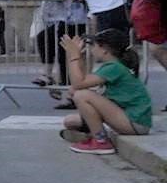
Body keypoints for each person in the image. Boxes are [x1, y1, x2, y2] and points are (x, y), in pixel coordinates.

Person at [59, 25, 150, 154]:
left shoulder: (115, 67)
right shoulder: (113, 66)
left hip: (135, 122)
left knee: (81, 95)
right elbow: (81, 81)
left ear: (104, 49)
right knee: (70, 121)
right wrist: (78, 56)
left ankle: (101, 142)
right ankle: (92, 135)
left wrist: (73, 56)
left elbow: (78, 83)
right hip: (127, 118)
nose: (91, 49)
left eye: (94, 45)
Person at [23, 0, 85, 94]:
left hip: (72, 18)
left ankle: (66, 86)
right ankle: (50, 76)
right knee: (43, 39)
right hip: (53, 19)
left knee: (64, 51)